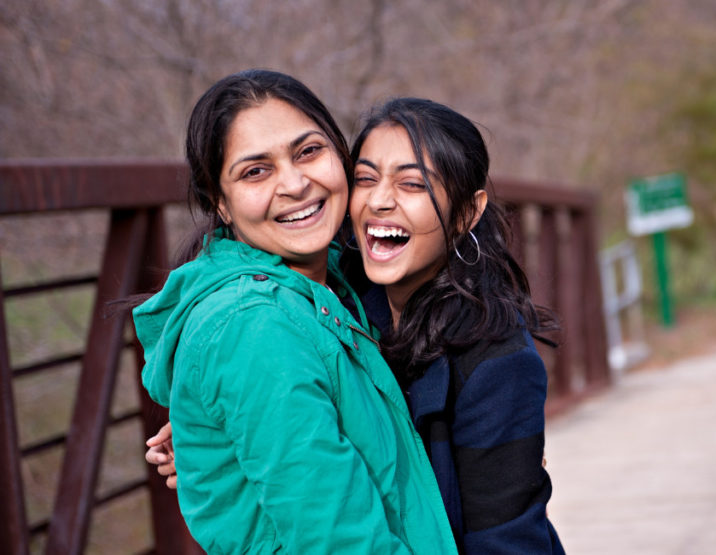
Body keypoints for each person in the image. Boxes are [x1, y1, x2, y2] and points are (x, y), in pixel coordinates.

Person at [147, 97, 566, 553]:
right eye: (365, 178)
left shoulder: (496, 361)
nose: (381, 200)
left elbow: (509, 541)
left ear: (466, 213)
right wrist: (214, 426)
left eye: (412, 183)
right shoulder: (333, 299)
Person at [133, 70, 456, 554]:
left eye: (308, 151)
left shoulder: (326, 282)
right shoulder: (252, 328)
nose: (295, 184)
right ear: (220, 203)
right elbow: (340, 542)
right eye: (255, 171)